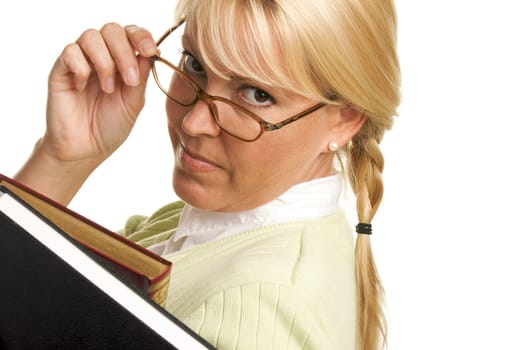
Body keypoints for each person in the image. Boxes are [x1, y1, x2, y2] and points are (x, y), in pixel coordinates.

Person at [14, 0, 400, 349]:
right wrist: (63, 158)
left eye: (256, 94)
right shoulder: (216, 224)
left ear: (344, 120)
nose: (195, 122)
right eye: (195, 65)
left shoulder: (254, 306)